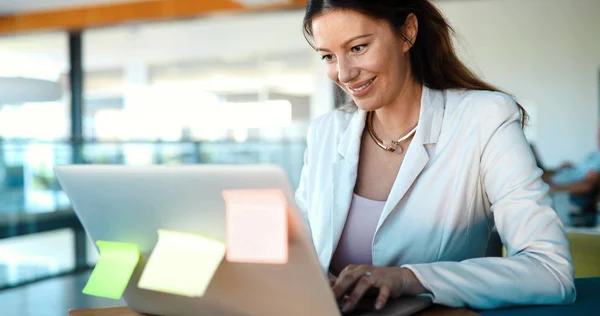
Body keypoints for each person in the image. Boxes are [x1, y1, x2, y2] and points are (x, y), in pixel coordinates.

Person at [295, 0, 575, 313]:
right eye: (328, 56)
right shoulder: (325, 133)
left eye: (358, 47)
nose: (344, 73)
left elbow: (551, 272)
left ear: (407, 33)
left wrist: (409, 278)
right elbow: (298, 253)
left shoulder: (485, 118)